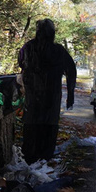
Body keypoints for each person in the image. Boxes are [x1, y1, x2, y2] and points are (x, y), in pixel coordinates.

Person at [18, 18, 77, 164]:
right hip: (51, 100)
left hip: (33, 100)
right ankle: (44, 160)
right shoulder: (59, 51)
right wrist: (70, 94)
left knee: (31, 131)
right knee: (48, 131)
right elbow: (72, 71)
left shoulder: (28, 48)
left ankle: (29, 161)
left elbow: (21, 63)